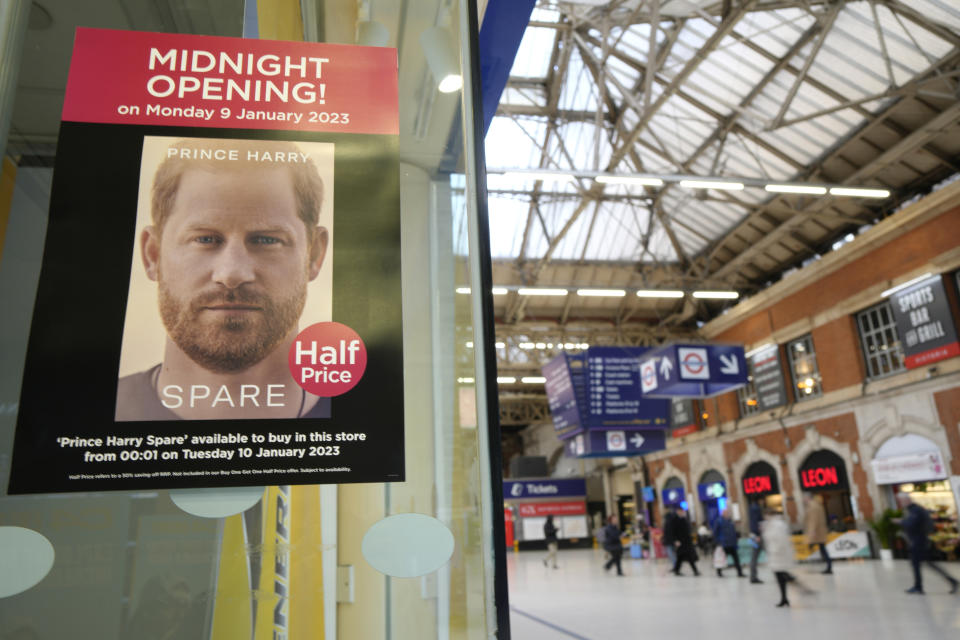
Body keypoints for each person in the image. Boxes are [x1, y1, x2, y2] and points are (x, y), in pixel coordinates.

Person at [116, 138, 331, 421]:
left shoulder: (369, 418)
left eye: (267, 240)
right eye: (204, 239)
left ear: (314, 255)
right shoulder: (90, 413)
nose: (232, 273)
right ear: (153, 254)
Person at [896, 492, 958, 595]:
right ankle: (951, 581)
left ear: (906, 500)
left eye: (900, 501)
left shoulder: (915, 510)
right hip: (919, 541)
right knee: (927, 564)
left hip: (919, 541)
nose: (900, 503)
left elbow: (911, 524)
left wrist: (901, 522)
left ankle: (918, 587)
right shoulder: (913, 510)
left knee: (918, 564)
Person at [762, 508, 814, 607]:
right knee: (781, 577)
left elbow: (780, 541)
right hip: (775, 556)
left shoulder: (778, 525)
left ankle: (801, 590)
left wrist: (774, 550)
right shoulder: (770, 525)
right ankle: (785, 597)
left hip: (779, 555)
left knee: (783, 575)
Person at [803, 492, 832, 574]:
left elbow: (813, 520)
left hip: (816, 532)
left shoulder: (812, 506)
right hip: (819, 531)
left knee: (820, 548)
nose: (803, 499)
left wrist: (811, 531)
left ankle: (828, 566)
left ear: (808, 498)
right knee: (822, 548)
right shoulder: (816, 505)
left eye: (804, 497)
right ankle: (828, 566)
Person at [712, 508, 744, 578]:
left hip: (732, 543)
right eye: (725, 513)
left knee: (736, 558)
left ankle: (740, 572)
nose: (727, 514)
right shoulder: (719, 521)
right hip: (724, 544)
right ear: (722, 513)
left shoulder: (730, 521)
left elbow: (733, 532)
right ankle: (719, 572)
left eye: (728, 512)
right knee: (722, 558)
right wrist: (718, 542)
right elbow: (715, 532)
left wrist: (736, 539)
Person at [667, 507, 700, 576]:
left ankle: (677, 570)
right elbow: (672, 531)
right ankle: (695, 571)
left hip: (686, 541)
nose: (681, 512)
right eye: (680, 511)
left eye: (682, 511)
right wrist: (675, 540)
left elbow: (688, 530)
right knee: (684, 557)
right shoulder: (674, 520)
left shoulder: (684, 519)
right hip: (680, 542)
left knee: (681, 557)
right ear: (677, 511)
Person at [748, 499, 764, 584]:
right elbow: (756, 522)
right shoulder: (756, 509)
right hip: (757, 536)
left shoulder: (751, 508)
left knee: (753, 556)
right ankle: (753, 577)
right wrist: (757, 534)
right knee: (754, 556)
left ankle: (752, 576)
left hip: (753, 535)